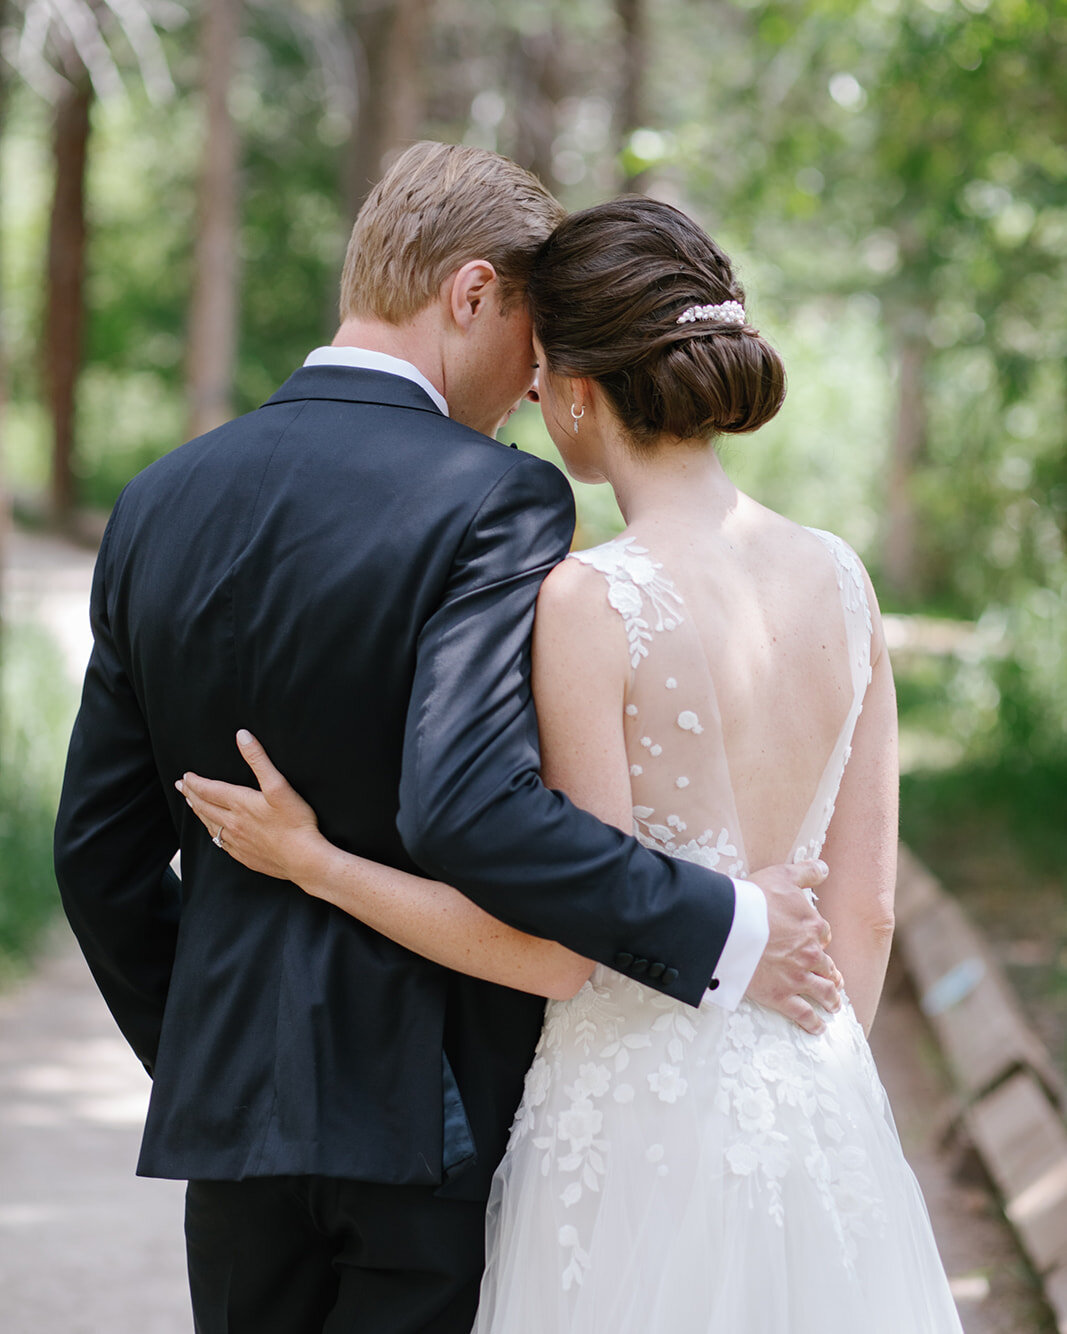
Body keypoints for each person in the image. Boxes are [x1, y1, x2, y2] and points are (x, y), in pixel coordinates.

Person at [54, 145, 837, 1334]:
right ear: (469, 293)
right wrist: (725, 922)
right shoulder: (492, 496)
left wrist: (217, 1058)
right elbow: (468, 805)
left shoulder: (161, 497)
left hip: (236, 1131)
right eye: (530, 336)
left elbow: (96, 854)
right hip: (429, 1116)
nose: (535, 383)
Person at [179, 197, 965, 1331]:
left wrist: (317, 863)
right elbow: (869, 910)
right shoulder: (842, 578)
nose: (532, 396)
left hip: (632, 1130)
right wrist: (804, 1088)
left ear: (582, 395)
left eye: (542, 371)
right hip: (817, 1099)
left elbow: (560, 952)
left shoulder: (593, 598)